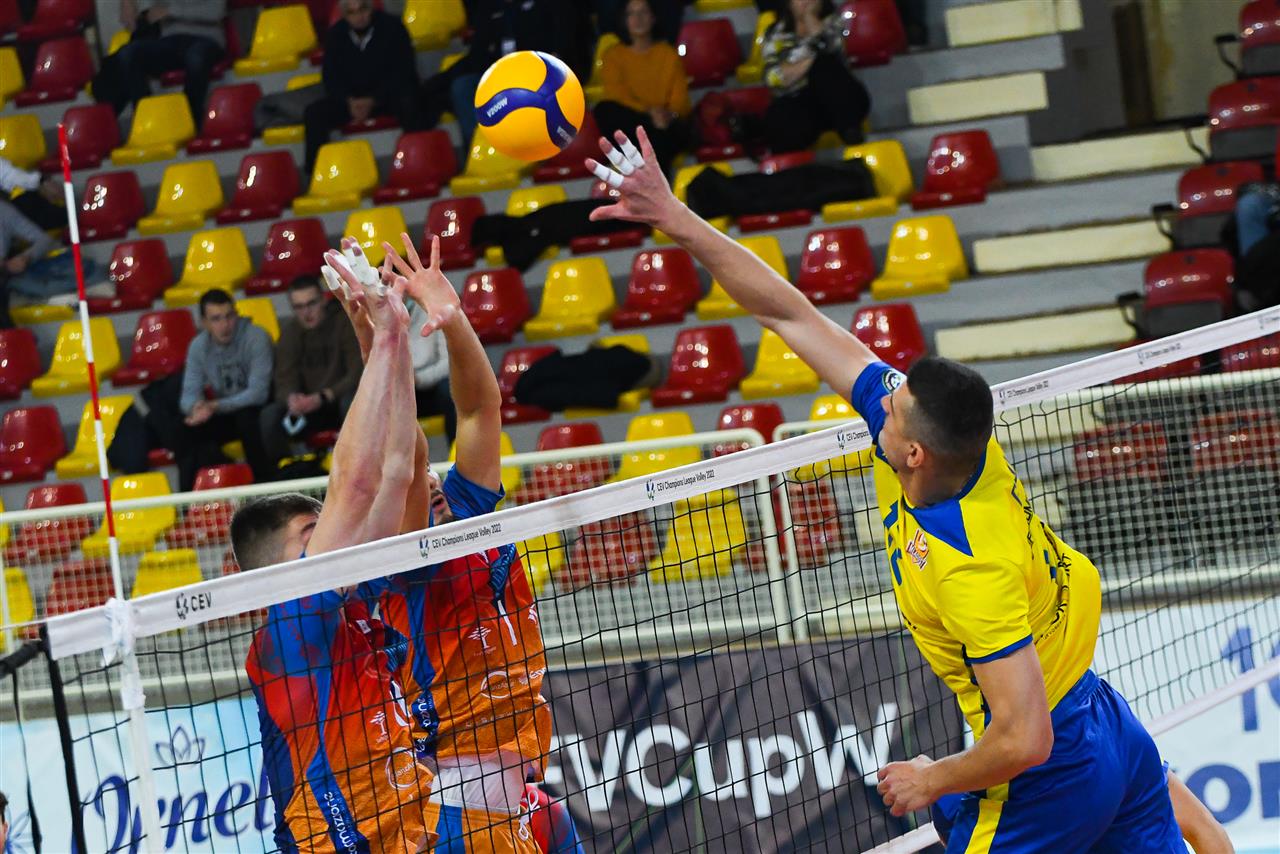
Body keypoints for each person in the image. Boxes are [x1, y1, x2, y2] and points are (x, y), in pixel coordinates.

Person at [585, 127, 1212, 852]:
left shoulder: (970, 564)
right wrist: (675, 218)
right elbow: (788, 314)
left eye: (894, 404)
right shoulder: (959, 448)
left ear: (913, 452)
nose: (880, 397)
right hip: (1103, 717)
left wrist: (932, 777)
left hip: (1052, 767)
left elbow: (1025, 738)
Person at [234, 240, 436, 851]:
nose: (334, 535)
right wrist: (384, 340)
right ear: (274, 567)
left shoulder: (350, 600)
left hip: (403, 822)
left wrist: (388, 341)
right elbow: (357, 482)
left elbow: (398, 471)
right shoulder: (292, 621)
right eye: (311, 532)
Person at [352, 234, 551, 852]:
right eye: (426, 481)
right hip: (453, 803)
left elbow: (480, 410)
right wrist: (383, 340)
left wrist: (453, 317)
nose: (436, 482)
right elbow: (406, 454)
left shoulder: (468, 512)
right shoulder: (405, 553)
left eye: (440, 479)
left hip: (510, 793)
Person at [425, 0, 591, 152]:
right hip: (502, 79)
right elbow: (477, 57)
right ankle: (480, 151)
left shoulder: (555, 5)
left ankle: (537, 147)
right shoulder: (489, 8)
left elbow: (564, 49)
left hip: (542, 74)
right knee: (463, 86)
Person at [304, 0, 424, 176]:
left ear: (371, 8)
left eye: (362, 9)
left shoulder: (393, 27)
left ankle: (418, 161)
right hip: (353, 102)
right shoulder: (335, 35)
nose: (359, 16)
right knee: (314, 113)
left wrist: (374, 100)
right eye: (351, 12)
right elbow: (331, 78)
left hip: (388, 97)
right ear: (344, 15)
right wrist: (349, 101)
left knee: (410, 101)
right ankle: (316, 175)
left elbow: (403, 72)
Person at [259, 276, 363, 473]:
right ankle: (287, 474)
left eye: (311, 304)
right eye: (298, 307)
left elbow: (357, 374)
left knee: (352, 401)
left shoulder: (345, 324)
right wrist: (292, 398)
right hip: (308, 407)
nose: (306, 312)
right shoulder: (290, 333)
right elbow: (283, 379)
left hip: (338, 400)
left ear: (323, 300)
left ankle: (358, 469)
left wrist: (324, 396)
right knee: (269, 415)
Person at [176, 289, 275, 490]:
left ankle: (265, 489)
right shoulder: (198, 346)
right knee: (185, 430)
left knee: (248, 420)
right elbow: (187, 396)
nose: (225, 325)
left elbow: (258, 394)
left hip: (257, 408)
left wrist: (215, 406)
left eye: (229, 316)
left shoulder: (256, 337)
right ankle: (191, 498)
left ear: (236, 315)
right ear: (204, 323)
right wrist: (197, 408)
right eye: (216, 319)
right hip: (223, 411)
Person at [760, 0, 870, 153]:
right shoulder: (775, 33)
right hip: (800, 102)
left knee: (825, 65)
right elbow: (773, 77)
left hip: (840, 98)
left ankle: (850, 133)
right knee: (781, 114)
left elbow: (831, 48)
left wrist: (810, 18)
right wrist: (813, 57)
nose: (806, 1)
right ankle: (791, 163)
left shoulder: (834, 22)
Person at [594, 0, 691, 174]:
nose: (638, 18)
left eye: (643, 12)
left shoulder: (668, 54)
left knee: (671, 131)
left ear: (653, 18)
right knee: (605, 110)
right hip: (637, 122)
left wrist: (668, 115)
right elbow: (616, 95)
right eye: (631, 14)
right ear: (624, 20)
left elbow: (680, 100)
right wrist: (649, 113)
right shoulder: (612, 55)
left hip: (664, 123)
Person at [108, 0, 228, 123]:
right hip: (170, 41)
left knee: (196, 58)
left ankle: (190, 119)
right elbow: (151, 13)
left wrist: (171, 11)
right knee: (128, 53)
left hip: (205, 39)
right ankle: (147, 117)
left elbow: (216, 12)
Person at [407, 297, 458, 444]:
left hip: (431, 384)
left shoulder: (434, 310)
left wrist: (419, 378)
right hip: (401, 387)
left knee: (451, 391)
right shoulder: (378, 314)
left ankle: (458, 451)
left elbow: (448, 363)